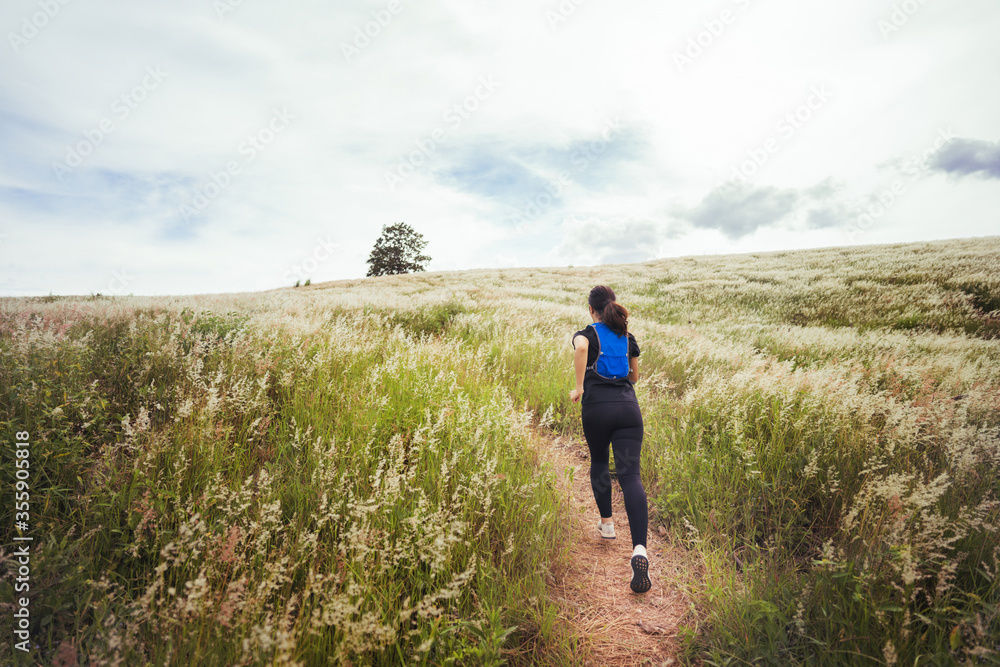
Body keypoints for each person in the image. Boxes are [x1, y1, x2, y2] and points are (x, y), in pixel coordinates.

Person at [569, 285, 651, 593]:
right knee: (632, 478)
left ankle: (607, 525)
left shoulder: (587, 334)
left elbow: (579, 349)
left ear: (591, 309)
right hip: (629, 410)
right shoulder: (627, 337)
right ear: (613, 306)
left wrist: (579, 387)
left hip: (598, 410)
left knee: (600, 461)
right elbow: (634, 377)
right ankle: (640, 549)